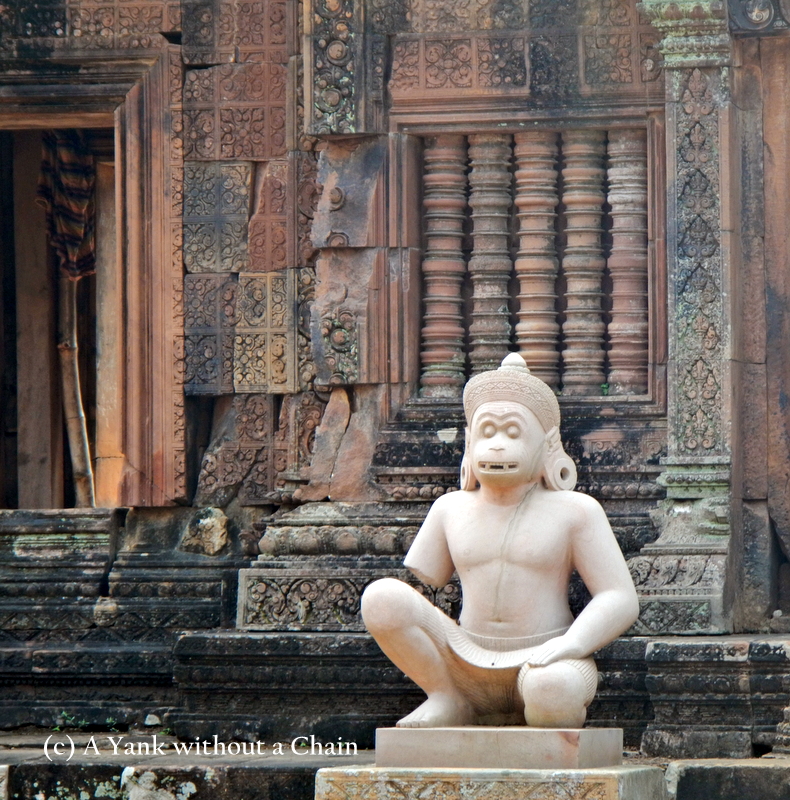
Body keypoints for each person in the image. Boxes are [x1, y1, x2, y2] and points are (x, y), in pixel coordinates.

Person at [361, 353, 640, 729]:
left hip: (546, 658)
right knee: (381, 598)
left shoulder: (576, 511)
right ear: (470, 439)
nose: (496, 445)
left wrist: (573, 644)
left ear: (547, 445)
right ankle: (447, 698)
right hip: (463, 659)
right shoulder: (450, 508)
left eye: (512, 432)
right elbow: (428, 578)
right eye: (487, 432)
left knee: (552, 693)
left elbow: (619, 597)